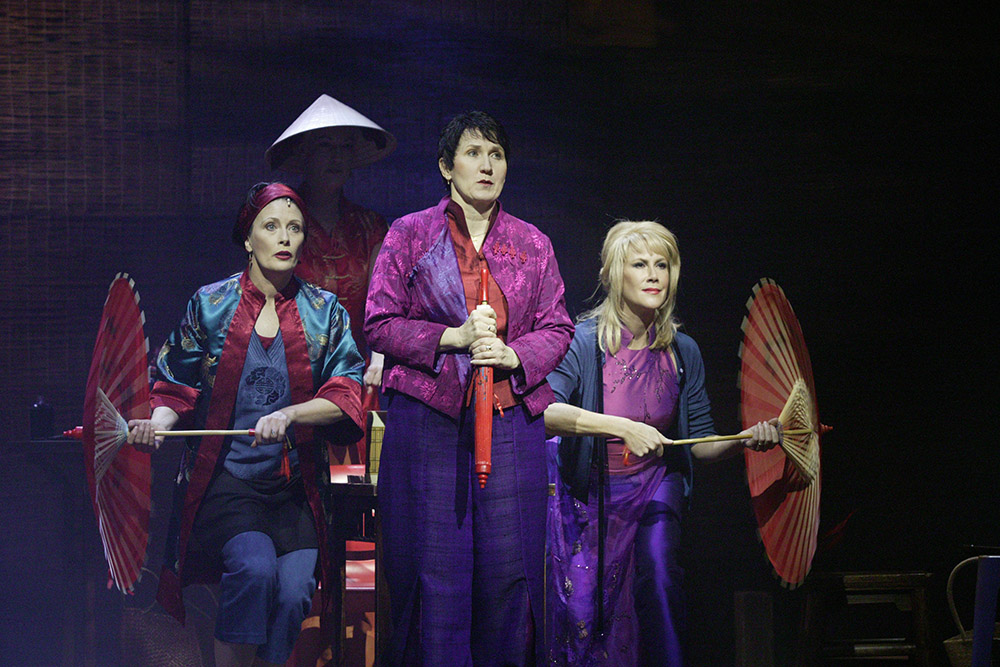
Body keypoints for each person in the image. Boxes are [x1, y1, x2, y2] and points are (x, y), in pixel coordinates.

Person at [364, 111, 575, 665]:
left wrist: (512, 353)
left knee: (510, 574)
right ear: (445, 166)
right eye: (474, 152)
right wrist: (451, 337)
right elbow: (379, 323)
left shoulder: (532, 243)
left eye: (497, 154)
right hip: (430, 423)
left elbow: (558, 326)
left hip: (510, 424)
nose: (486, 164)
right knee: (437, 577)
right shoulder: (410, 234)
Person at [127, 182, 365, 667]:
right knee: (255, 570)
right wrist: (157, 423)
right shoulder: (210, 305)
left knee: (297, 588)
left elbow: (345, 395)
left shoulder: (326, 312)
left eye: (294, 228)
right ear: (248, 238)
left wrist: (290, 415)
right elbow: (175, 386)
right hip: (230, 486)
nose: (285, 238)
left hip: (296, 487)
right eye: (271, 226)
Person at [544, 220, 782, 666]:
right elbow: (543, 414)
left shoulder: (682, 350)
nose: (654, 274)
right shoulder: (582, 342)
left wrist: (745, 440)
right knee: (583, 613)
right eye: (639, 264)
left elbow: (700, 444)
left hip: (655, 484)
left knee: (659, 576)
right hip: (589, 495)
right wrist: (620, 425)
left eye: (662, 264)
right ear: (615, 274)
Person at [265, 94, 395, 464]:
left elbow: (385, 300)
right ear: (304, 155)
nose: (336, 156)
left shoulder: (371, 227)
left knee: (356, 480)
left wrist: (380, 356)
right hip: (288, 369)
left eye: (344, 147)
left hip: (358, 372)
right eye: (325, 146)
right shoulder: (281, 225)